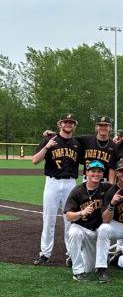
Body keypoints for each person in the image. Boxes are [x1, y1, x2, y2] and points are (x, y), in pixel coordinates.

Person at [32, 113, 82, 266]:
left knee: (70, 219)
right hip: (52, 183)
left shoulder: (77, 143)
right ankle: (45, 254)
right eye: (65, 122)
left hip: (70, 183)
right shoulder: (49, 139)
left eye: (71, 122)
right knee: (49, 219)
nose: (68, 124)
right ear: (59, 124)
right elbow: (35, 160)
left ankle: (71, 254)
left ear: (74, 125)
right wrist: (46, 147)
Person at [63, 161, 111, 281]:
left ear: (102, 174)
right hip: (82, 228)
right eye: (93, 171)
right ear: (87, 173)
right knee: (73, 232)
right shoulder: (77, 191)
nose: (96, 174)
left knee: (89, 268)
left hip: (97, 233)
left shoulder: (107, 188)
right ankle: (78, 272)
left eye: (99, 171)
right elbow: (68, 216)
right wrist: (81, 213)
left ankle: (84, 260)